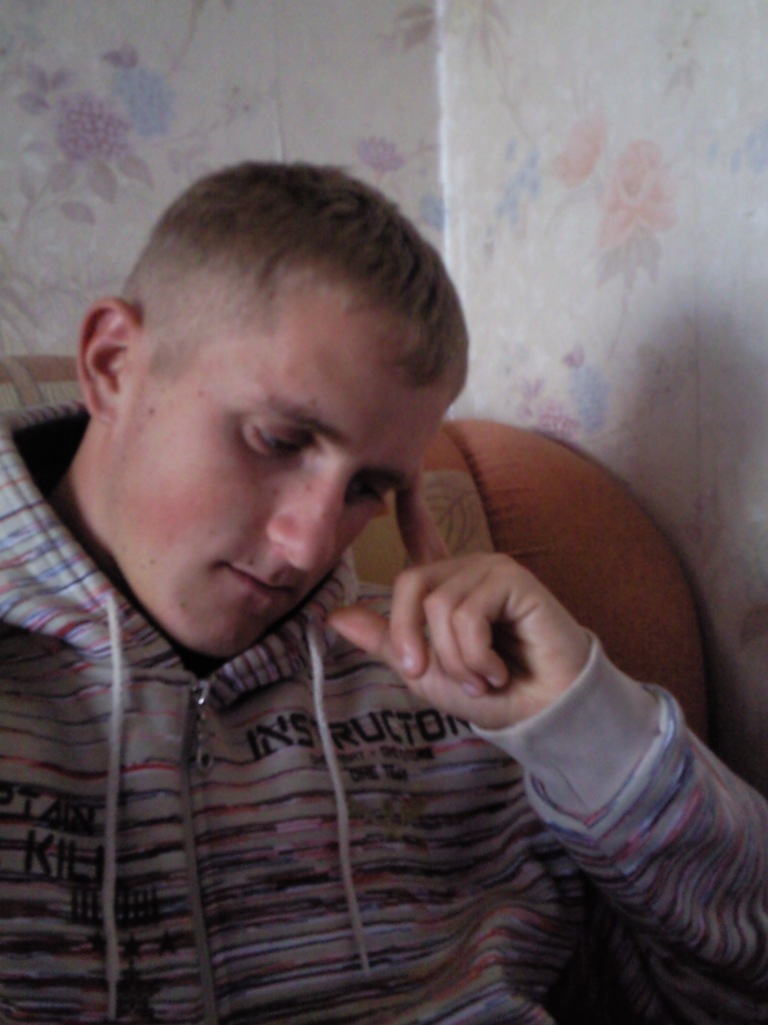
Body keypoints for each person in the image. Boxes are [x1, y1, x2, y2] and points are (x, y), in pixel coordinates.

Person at [0, 161, 765, 1025]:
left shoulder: (457, 697)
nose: (309, 545)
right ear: (111, 364)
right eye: (278, 439)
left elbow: (727, 992)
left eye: (368, 487)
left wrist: (587, 725)